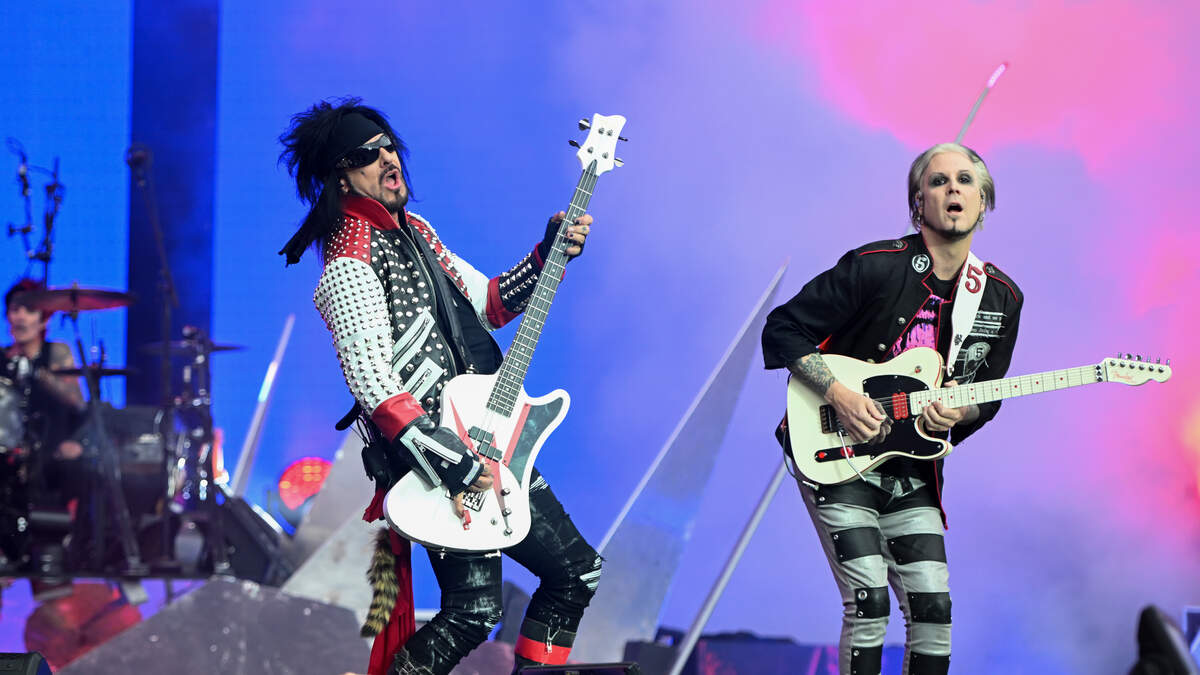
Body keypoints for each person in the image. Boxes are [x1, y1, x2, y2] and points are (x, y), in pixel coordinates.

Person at [278, 98, 603, 675]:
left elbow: (490, 304)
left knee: (576, 573)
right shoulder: (348, 263)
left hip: (492, 440)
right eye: (367, 155)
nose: (388, 159)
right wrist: (454, 466)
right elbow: (376, 388)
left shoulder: (418, 230)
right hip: (437, 462)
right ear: (341, 177)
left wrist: (546, 254)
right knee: (473, 611)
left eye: (388, 146)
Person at [761, 143, 1023, 675]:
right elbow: (782, 327)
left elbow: (987, 395)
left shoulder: (1000, 298)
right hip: (836, 453)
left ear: (984, 202)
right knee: (869, 602)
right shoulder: (876, 266)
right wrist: (839, 394)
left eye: (966, 180)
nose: (953, 189)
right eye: (938, 181)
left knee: (934, 612)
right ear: (918, 202)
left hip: (912, 464)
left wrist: (959, 414)